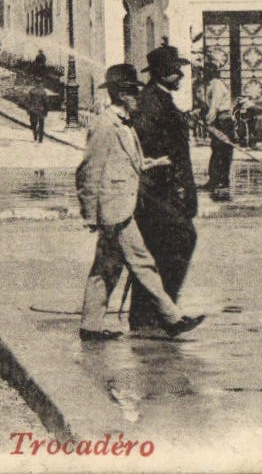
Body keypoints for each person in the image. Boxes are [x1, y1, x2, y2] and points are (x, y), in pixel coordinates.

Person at [76, 64, 206, 340]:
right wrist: (90, 215)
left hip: (119, 206)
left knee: (105, 267)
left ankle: (90, 325)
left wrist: (154, 162)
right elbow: (88, 170)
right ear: (123, 95)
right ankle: (172, 317)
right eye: (134, 93)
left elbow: (128, 163)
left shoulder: (124, 124)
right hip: (115, 209)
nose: (139, 98)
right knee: (142, 262)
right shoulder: (105, 125)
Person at [129, 43, 200, 330]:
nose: (181, 76)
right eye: (175, 72)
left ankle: (152, 312)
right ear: (162, 73)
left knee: (160, 248)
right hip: (156, 189)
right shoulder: (151, 101)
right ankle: (159, 310)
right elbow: (148, 142)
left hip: (167, 188)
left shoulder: (160, 98)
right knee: (178, 241)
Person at [199, 64, 235, 199]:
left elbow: (215, 104)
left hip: (223, 121)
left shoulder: (216, 84)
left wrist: (209, 119)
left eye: (205, 72)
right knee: (221, 150)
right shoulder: (214, 84)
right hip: (222, 121)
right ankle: (218, 180)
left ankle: (219, 180)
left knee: (220, 150)